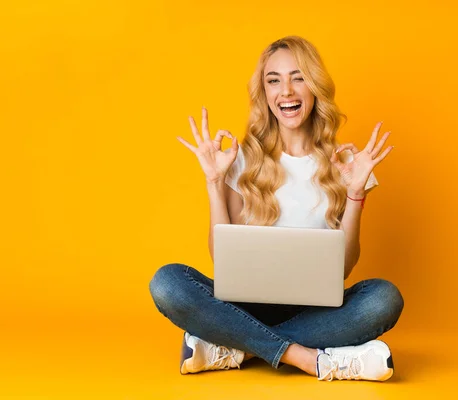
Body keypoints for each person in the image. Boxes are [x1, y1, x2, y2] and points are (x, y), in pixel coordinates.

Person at [149, 36, 404, 382]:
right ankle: (308, 358)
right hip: (244, 307)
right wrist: (214, 182)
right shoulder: (242, 160)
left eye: (298, 77)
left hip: (316, 311)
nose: (286, 90)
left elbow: (343, 268)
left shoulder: (345, 164)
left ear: (314, 87)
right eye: (274, 80)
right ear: (264, 94)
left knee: (383, 299)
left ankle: (234, 347)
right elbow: (222, 262)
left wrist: (357, 193)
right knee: (168, 282)